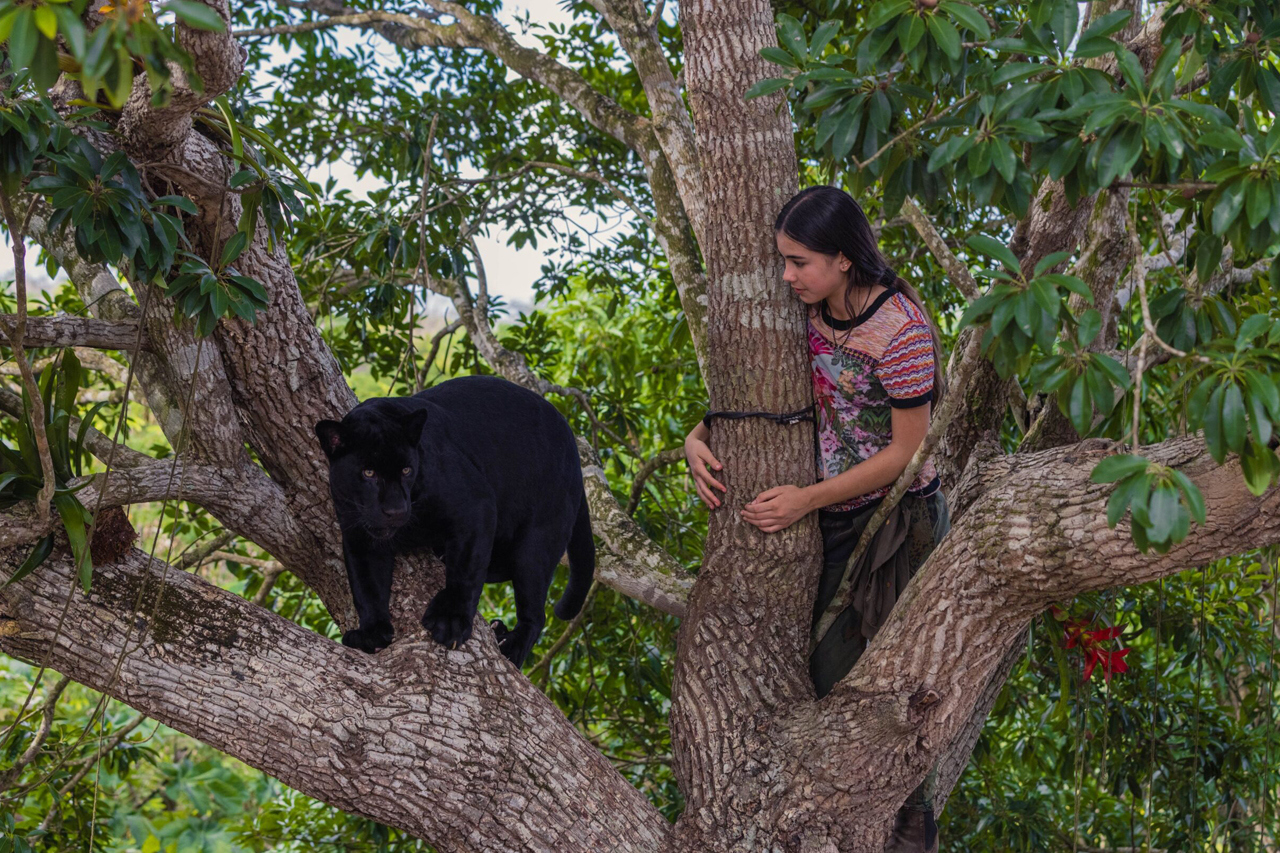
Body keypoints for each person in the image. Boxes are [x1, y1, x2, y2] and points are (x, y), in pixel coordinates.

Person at [683, 185, 951, 853]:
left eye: (799, 261)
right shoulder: (805, 311)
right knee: (816, 672)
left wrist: (805, 498)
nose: (786, 275)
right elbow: (766, 394)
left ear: (841, 258)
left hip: (899, 519)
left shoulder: (901, 331)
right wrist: (698, 435)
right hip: (834, 510)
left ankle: (910, 823)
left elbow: (905, 453)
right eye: (782, 259)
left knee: (880, 685)